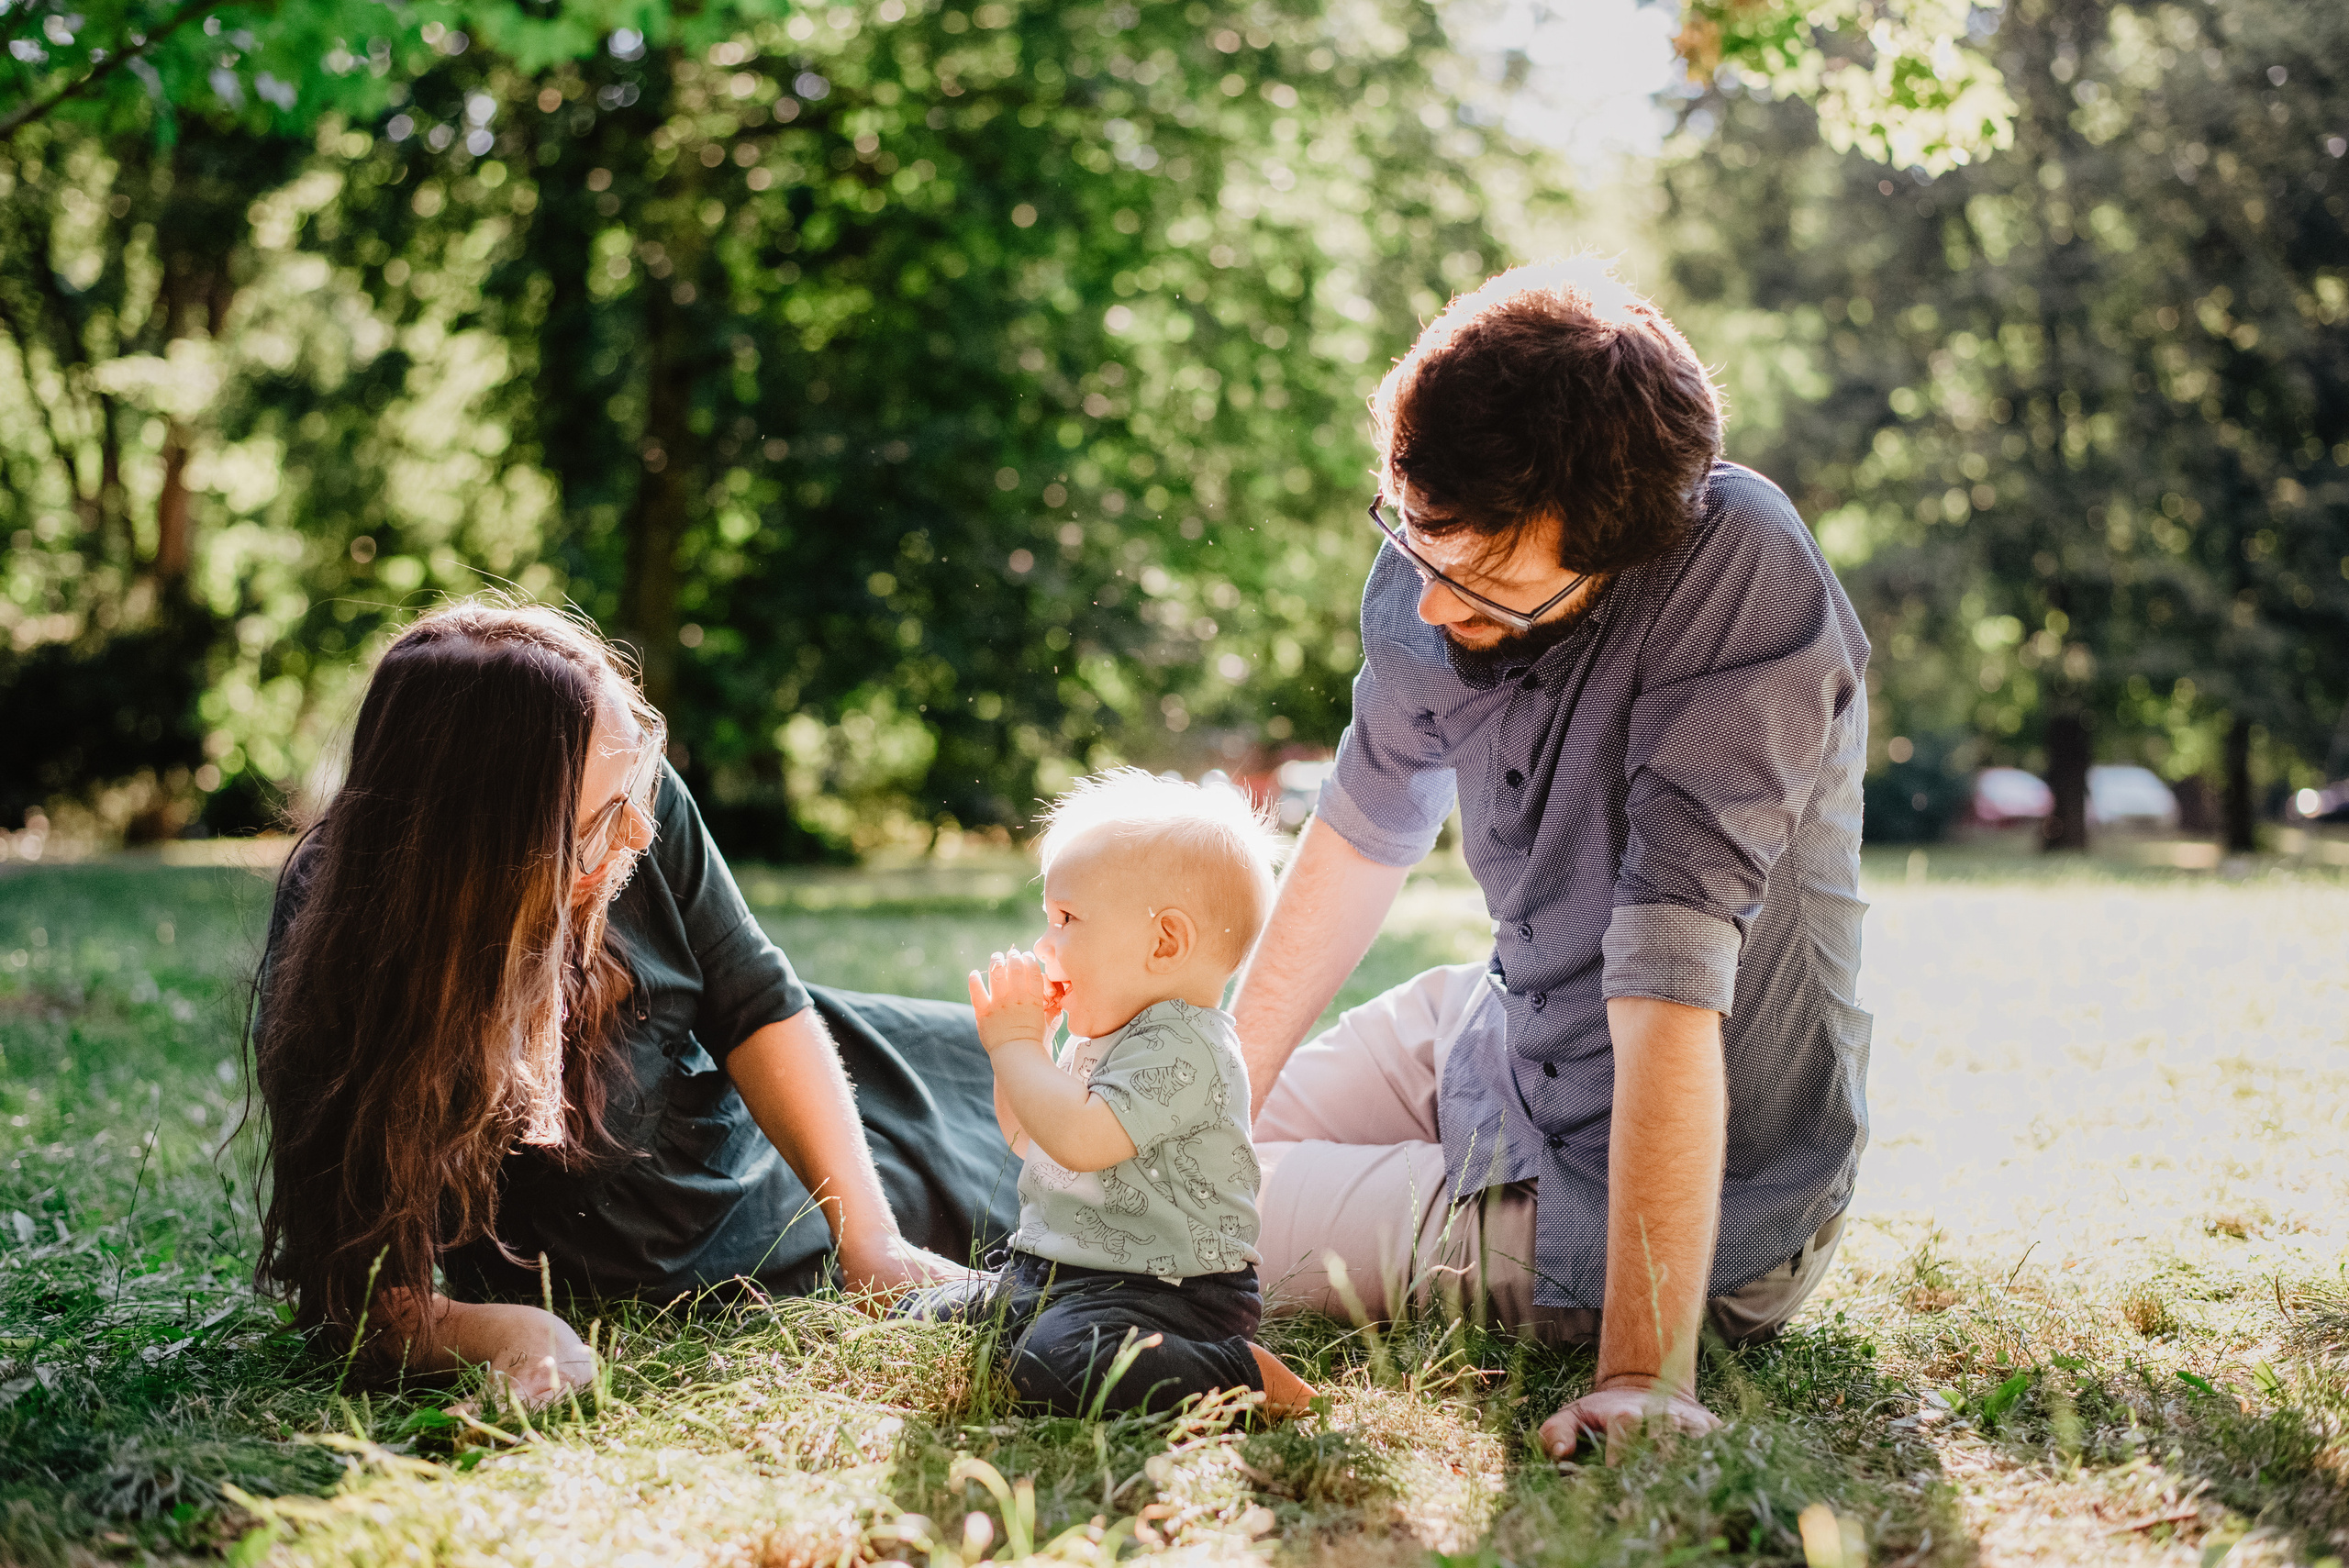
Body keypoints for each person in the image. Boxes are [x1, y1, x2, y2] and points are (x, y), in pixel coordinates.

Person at [1230, 259, 1872, 1458]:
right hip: (1498, 1032)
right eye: (1414, 537)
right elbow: (1363, 832)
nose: (1428, 603)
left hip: (1677, 1192)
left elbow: (1668, 985)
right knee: (1159, 1164)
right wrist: (1204, 1094)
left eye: (1490, 580)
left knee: (1211, 1223)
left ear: (1621, 546)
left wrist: (1642, 1374)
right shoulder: (1445, 545)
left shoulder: (1741, 578)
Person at [253, 600, 1014, 1403]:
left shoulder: (617, 778)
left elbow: (757, 1002)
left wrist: (872, 1238)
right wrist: (521, 1333)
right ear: (495, 848)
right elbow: (366, 1301)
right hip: (691, 1236)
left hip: (810, 1118)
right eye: (610, 815)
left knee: (1067, 1099)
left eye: (642, 786)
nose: (645, 833)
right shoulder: (339, 945)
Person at [905, 770, 1315, 1416]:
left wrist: (1017, 1049)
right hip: (1055, 1273)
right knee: (929, 1318)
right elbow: (1031, 1136)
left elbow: (1081, 1139)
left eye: (1067, 918)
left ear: (1165, 941)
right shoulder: (1109, 1035)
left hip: (1170, 1292)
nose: (1046, 941)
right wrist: (1024, 1055)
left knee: (1054, 1359)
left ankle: (1239, 1371)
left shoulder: (1186, 1045)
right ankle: (1042, 1327)